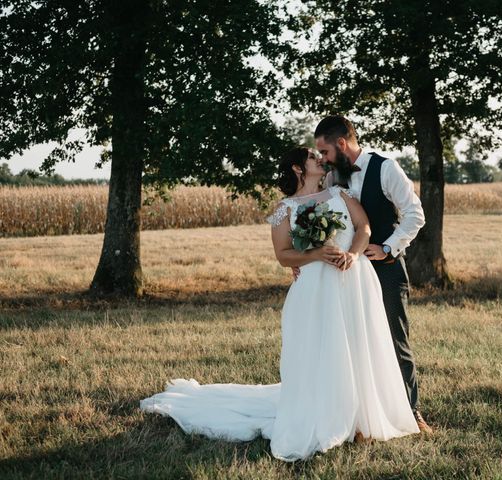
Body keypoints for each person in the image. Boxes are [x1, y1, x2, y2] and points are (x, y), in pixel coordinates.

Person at [139, 147, 419, 462]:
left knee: (357, 344)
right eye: (314, 158)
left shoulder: (341, 195)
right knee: (321, 347)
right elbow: (283, 254)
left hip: (353, 280)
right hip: (314, 286)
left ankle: (361, 416)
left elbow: (364, 228)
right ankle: (329, 413)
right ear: (300, 169)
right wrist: (315, 254)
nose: (321, 160)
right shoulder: (284, 209)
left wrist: (353, 254)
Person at [313, 115, 432, 433]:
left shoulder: (386, 167)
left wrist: (388, 247)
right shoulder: (331, 179)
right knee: (353, 342)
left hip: (386, 268)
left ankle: (411, 411)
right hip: (347, 274)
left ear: (341, 144)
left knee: (395, 340)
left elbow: (415, 214)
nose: (322, 159)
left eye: (324, 152)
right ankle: (360, 416)